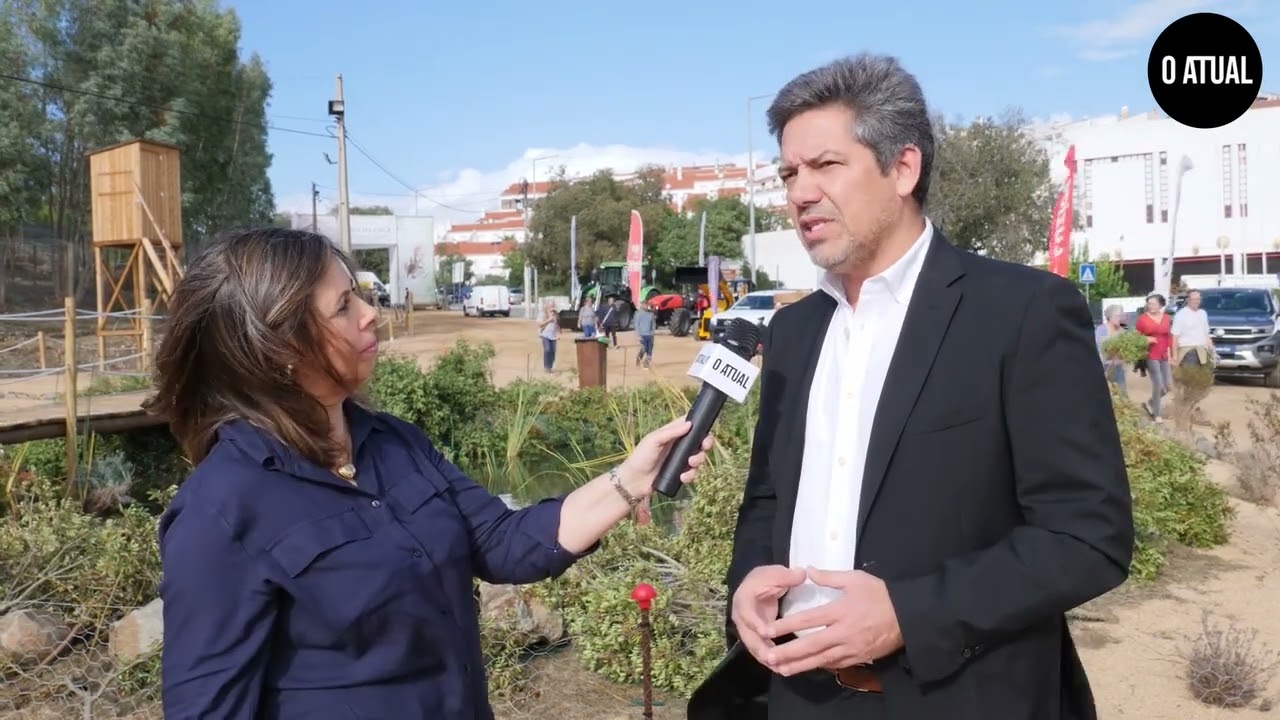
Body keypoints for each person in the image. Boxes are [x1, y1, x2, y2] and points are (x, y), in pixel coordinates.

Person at [687, 53, 1134, 720]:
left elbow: (1086, 534)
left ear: (903, 167)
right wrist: (749, 578)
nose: (800, 193)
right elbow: (768, 501)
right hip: (795, 696)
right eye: (788, 173)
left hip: (958, 697)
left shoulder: (1021, 313)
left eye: (826, 165)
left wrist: (907, 613)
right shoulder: (792, 334)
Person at [147, 227, 713, 719]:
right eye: (343, 305)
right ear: (279, 349)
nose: (370, 313)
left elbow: (500, 542)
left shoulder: (393, 442)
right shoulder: (220, 511)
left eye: (360, 295)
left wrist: (629, 480)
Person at [1135, 293, 1172, 423]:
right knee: (1158, 384)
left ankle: (1151, 402)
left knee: (1168, 386)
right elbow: (1136, 337)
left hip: (1164, 354)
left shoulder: (1167, 318)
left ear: (1160, 305)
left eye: (1154, 304)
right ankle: (1157, 413)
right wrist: (1146, 338)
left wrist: (1171, 353)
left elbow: (1169, 337)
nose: (1151, 306)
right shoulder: (1143, 319)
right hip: (1150, 354)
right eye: (1149, 304)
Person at [1095, 304, 1128, 392]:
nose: (1119, 318)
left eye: (1120, 316)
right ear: (1109, 316)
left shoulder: (1122, 331)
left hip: (1118, 367)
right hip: (1104, 367)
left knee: (1122, 394)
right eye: (1117, 316)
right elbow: (1099, 350)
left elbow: (1125, 350)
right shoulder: (1101, 330)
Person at [539, 299, 559, 372]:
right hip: (545, 335)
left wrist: (558, 334)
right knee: (547, 350)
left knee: (553, 351)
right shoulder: (543, 314)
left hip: (553, 336)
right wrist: (548, 320)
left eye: (553, 305)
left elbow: (557, 325)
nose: (552, 307)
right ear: (547, 306)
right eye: (550, 305)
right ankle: (547, 367)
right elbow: (540, 325)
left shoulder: (555, 315)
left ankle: (550, 367)